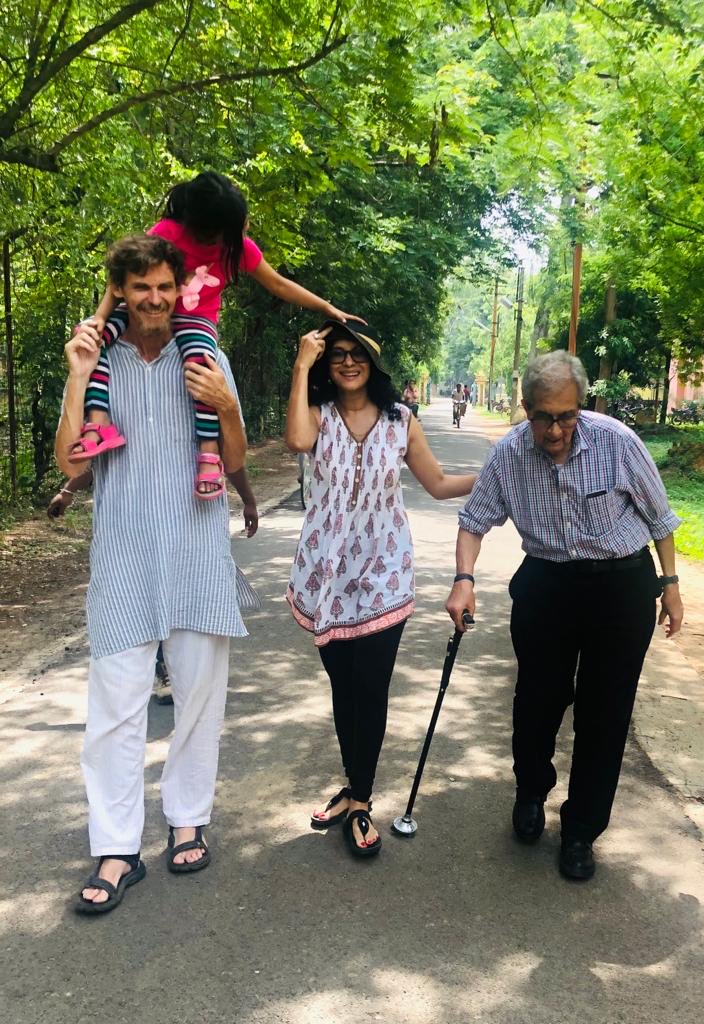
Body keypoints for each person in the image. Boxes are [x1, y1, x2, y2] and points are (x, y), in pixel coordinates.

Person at [55, 233, 258, 913]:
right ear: (121, 290)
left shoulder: (203, 355)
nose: (153, 300)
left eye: (164, 287)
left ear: (180, 290)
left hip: (197, 551)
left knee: (200, 698)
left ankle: (187, 818)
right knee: (114, 711)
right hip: (122, 556)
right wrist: (78, 373)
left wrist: (227, 406)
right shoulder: (99, 359)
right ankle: (115, 847)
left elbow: (231, 458)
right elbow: (72, 464)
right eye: (140, 288)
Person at [445, 350, 684, 881]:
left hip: (619, 585)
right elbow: (473, 520)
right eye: (542, 417)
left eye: (566, 416)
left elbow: (660, 518)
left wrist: (669, 586)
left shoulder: (618, 442)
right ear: (525, 408)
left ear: (581, 407)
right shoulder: (509, 453)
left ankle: (580, 830)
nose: (555, 430)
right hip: (548, 583)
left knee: (606, 711)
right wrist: (464, 580)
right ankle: (531, 792)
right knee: (537, 701)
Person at [285, 320, 475, 858]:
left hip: (384, 575)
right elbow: (296, 439)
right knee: (343, 689)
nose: (347, 362)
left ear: (373, 362)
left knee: (371, 687)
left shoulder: (400, 420)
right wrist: (302, 362)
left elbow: (437, 485)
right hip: (326, 577)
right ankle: (353, 786)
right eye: (337, 355)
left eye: (358, 354)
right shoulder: (318, 416)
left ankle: (362, 800)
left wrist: (498, 473)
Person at [70, 170, 361, 499]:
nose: (239, 232)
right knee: (92, 340)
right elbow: (123, 275)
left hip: (196, 321)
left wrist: (326, 307)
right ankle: (97, 422)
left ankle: (208, 453)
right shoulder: (167, 233)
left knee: (202, 368)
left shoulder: (240, 249)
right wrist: (99, 319)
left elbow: (278, 283)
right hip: (151, 311)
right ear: (206, 228)